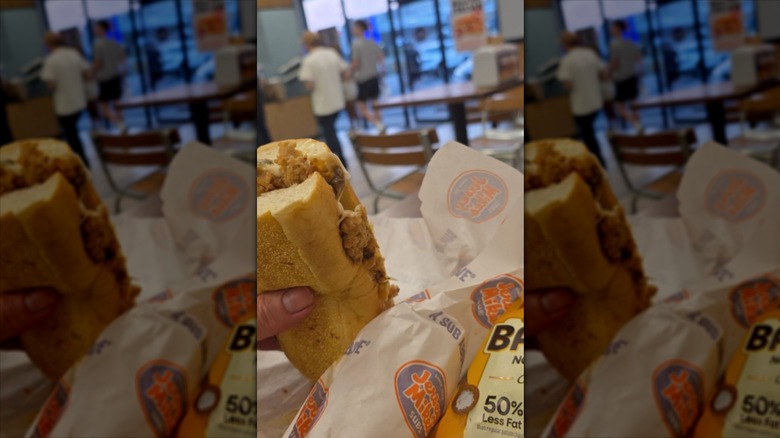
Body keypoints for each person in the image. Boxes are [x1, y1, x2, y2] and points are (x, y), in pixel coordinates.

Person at [41, 31, 91, 167]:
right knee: (74, 134)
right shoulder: (74, 54)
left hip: (64, 106)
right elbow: (87, 74)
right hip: (79, 101)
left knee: (72, 137)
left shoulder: (51, 60)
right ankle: (82, 162)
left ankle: (81, 163)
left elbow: (51, 85)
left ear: (48, 44)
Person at [557, 32, 608, 166]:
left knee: (588, 136)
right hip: (595, 101)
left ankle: (597, 163)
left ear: (564, 45)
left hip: (581, 105)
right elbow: (603, 74)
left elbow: (567, 84)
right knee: (591, 133)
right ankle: (598, 161)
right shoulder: (590, 54)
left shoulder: (567, 60)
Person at [298, 32, 349, 165]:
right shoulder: (331, 53)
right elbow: (345, 73)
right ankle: (339, 159)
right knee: (333, 131)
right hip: (337, 100)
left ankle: (339, 161)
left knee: (330, 134)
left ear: (306, 44)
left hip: (323, 104)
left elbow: (309, 84)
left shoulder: (309, 60)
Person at [350, 20, 386, 132]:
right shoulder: (372, 42)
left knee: (362, 107)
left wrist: (348, 72)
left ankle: (377, 123)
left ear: (360, 28)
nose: (353, 30)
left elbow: (356, 62)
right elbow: (381, 58)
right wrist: (382, 69)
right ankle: (380, 124)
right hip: (374, 77)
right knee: (375, 103)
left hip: (363, 79)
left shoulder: (356, 44)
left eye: (354, 28)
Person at [608, 20, 643, 132]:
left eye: (613, 28)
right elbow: (638, 58)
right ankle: (637, 122)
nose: (611, 30)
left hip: (620, 78)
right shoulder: (630, 41)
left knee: (620, 106)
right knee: (633, 103)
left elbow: (615, 62)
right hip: (632, 75)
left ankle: (633, 121)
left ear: (618, 29)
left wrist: (607, 70)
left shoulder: (614, 44)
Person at [92, 20, 127, 132]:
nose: (95, 30)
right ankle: (121, 123)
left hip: (104, 78)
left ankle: (117, 122)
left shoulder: (98, 45)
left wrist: (91, 72)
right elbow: (122, 58)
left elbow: (98, 63)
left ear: (102, 29)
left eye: (97, 27)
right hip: (115, 76)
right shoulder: (114, 42)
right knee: (117, 103)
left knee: (104, 106)